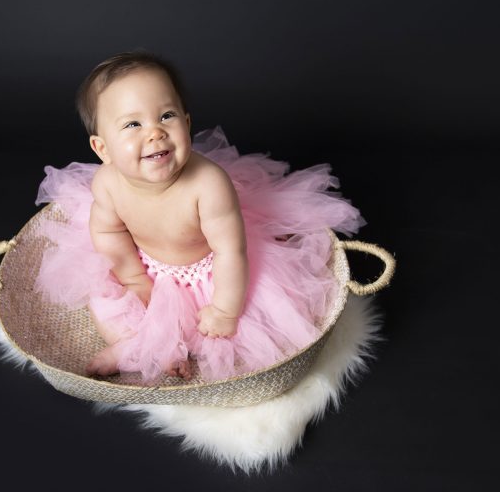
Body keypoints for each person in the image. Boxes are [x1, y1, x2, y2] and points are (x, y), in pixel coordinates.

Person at [33, 51, 364, 384]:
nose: (155, 133)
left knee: (228, 325)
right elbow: (108, 233)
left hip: (209, 276)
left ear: (187, 124)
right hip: (145, 265)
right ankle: (131, 344)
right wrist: (134, 278)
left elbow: (229, 252)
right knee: (103, 298)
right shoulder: (107, 183)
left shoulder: (209, 184)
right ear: (102, 149)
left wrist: (224, 309)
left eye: (166, 116)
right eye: (133, 124)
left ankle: (167, 345)